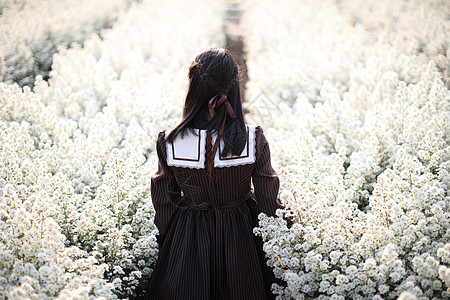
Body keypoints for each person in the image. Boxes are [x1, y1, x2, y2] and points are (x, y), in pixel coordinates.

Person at [144, 48, 283, 300]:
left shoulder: (170, 140)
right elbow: (268, 203)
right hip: (242, 239)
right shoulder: (253, 139)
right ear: (234, 88)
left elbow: (164, 203)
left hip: (188, 239)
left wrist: (170, 247)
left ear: (193, 87)